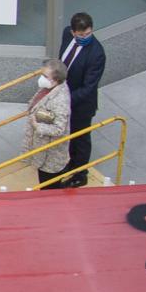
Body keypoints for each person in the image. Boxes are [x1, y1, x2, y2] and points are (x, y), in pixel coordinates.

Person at [55, 12, 105, 188]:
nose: (85, 37)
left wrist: (64, 99)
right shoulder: (67, 33)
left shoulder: (96, 54)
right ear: (74, 32)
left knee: (81, 139)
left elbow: (89, 87)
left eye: (88, 33)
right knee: (68, 135)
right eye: (81, 34)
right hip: (64, 94)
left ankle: (80, 173)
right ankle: (71, 164)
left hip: (81, 104)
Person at [23, 57, 72, 189]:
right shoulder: (49, 88)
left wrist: (37, 126)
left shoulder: (60, 101)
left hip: (50, 155)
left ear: (55, 79)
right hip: (44, 150)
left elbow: (59, 128)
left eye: (45, 75)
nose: (41, 78)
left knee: (49, 186)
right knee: (45, 182)